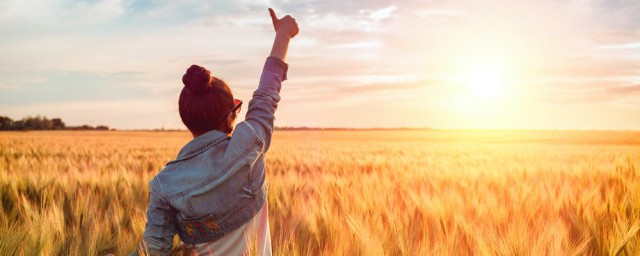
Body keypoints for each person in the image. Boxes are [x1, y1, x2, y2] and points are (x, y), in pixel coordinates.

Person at [133, 8, 299, 256]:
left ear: (186, 119)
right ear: (231, 115)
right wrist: (283, 36)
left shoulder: (163, 185)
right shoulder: (249, 144)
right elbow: (267, 93)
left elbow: (155, 250)